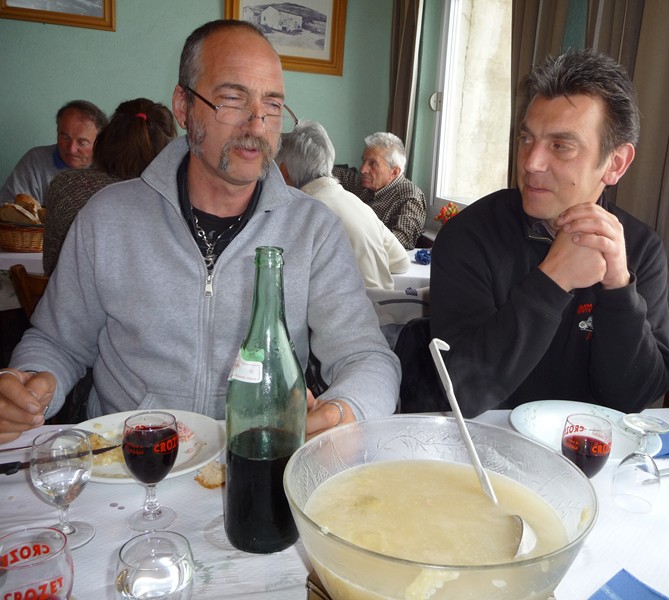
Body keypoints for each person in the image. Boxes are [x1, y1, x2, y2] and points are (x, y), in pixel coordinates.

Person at [0, 19, 400, 444]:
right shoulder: (108, 217)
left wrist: (345, 409)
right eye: (233, 99)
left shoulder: (313, 230)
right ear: (183, 106)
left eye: (272, 105)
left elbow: (367, 357)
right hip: (132, 461)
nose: (257, 124)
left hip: (258, 457)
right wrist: (29, 385)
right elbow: (56, 342)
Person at [429, 48, 669, 418]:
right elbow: (461, 390)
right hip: (484, 444)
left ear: (615, 163)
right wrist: (553, 279)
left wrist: (619, 289)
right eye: (527, 139)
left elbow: (634, 398)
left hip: (586, 444)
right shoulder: (468, 236)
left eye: (561, 146)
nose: (531, 162)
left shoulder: (640, 247)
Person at [43, 98, 177, 275]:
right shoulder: (173, 198)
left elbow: (52, 267)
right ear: (168, 149)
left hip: (72, 290)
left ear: (105, 139)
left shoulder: (66, 186)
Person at [276, 120, 409, 290]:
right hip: (383, 304)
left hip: (345, 305)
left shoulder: (300, 214)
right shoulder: (357, 204)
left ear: (283, 171)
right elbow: (402, 262)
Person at [0, 100, 108, 205]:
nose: (71, 149)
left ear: (99, 142)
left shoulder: (109, 167)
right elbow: (8, 208)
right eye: (65, 138)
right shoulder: (35, 160)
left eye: (82, 142)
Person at [332, 132, 426, 250]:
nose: (362, 169)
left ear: (394, 172)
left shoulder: (410, 197)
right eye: (364, 161)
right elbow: (326, 170)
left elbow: (399, 243)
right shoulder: (364, 184)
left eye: (372, 163)